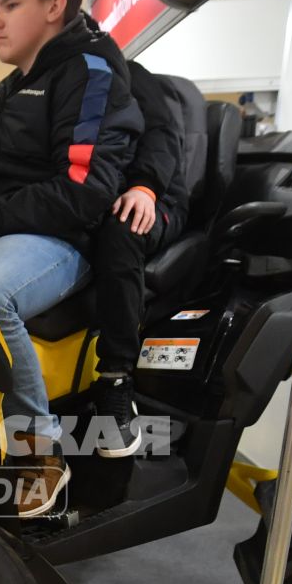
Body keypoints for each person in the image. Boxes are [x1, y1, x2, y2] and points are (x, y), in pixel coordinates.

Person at [0, 0, 143, 514]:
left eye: (9, 4)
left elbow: (82, 192)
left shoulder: (88, 74)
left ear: (55, 6)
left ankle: (38, 455)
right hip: (9, 231)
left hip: (65, 239)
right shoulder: (2, 96)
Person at [86, 59, 193, 455]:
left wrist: (145, 187)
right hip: (94, 197)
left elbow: (162, 133)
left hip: (151, 197)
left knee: (122, 225)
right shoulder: (45, 85)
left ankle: (115, 378)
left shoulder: (124, 72)